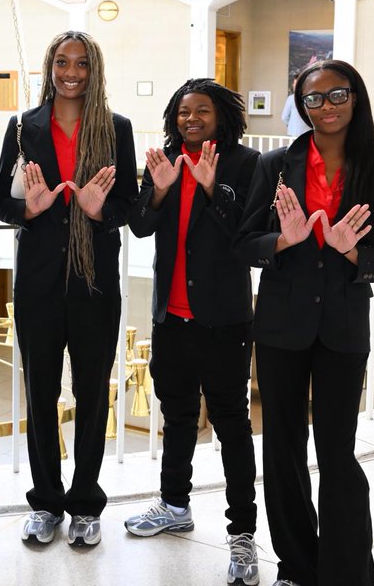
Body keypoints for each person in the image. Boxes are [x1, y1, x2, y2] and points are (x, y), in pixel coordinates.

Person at [235, 60, 374, 586]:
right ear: (300, 105)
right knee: (282, 453)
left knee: (337, 456)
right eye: (314, 98)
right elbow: (247, 242)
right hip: (283, 326)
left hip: (342, 328)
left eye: (337, 95)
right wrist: (285, 239)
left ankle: (347, 572)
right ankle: (296, 567)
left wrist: (351, 253)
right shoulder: (274, 165)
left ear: (356, 97)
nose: (326, 107)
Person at [0, 30, 138, 548]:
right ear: (48, 66)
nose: (71, 71)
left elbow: (130, 206)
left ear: (94, 69)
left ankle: (84, 503)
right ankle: (46, 502)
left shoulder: (115, 128)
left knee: (91, 393)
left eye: (81, 62)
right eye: (62, 61)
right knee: (39, 393)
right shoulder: (22, 127)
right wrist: (26, 210)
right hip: (37, 281)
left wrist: (101, 214)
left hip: (94, 281)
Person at [125, 78, 261, 585]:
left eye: (202, 111)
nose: (191, 119)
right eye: (183, 112)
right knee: (177, 415)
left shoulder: (245, 164)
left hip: (224, 319)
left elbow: (246, 236)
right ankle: (174, 504)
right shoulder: (164, 160)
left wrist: (210, 187)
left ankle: (242, 535)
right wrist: (158, 190)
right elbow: (140, 225)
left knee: (231, 425)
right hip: (172, 317)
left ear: (221, 116)